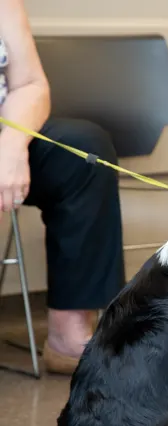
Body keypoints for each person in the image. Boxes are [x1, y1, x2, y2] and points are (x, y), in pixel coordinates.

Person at [0, 0, 124, 374]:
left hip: (8, 130)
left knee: (82, 151)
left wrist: (12, 143)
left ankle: (67, 337)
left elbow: (30, 84)